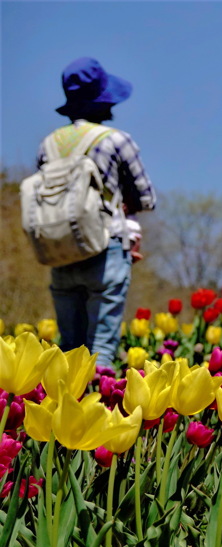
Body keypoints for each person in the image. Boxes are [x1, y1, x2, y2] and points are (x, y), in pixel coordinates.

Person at [39, 57, 156, 369]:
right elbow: (145, 198)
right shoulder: (116, 140)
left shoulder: (49, 144)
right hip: (106, 250)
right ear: (103, 103)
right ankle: (97, 410)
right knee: (101, 348)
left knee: (69, 350)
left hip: (61, 252)